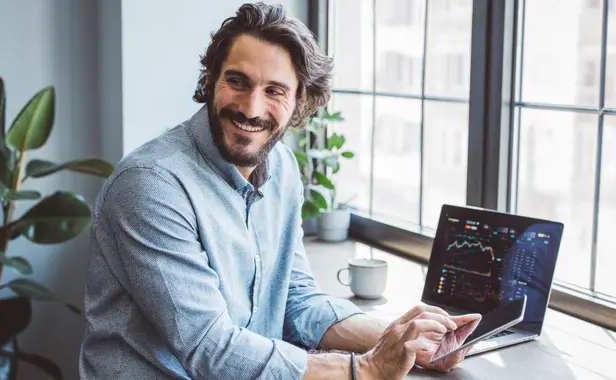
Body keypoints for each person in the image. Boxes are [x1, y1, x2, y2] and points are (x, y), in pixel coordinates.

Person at [78, 2, 481, 379]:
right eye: (237, 81)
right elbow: (209, 348)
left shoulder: (283, 169)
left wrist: (403, 338)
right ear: (209, 79)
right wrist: (368, 369)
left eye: (274, 91)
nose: (251, 108)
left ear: (300, 101)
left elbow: (294, 298)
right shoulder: (151, 185)